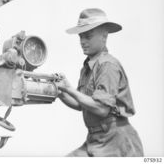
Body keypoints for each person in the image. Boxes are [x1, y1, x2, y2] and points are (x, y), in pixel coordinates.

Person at [57, 8, 143, 157]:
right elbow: (81, 104)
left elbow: (101, 108)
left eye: (88, 36)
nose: (82, 42)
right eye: (80, 37)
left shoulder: (108, 65)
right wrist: (60, 92)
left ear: (104, 36)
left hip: (117, 143)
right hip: (95, 140)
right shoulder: (87, 68)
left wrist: (69, 89)